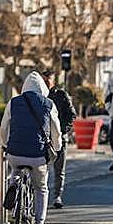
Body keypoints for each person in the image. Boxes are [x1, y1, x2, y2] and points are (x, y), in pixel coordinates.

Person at [0, 71, 62, 224]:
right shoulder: (48, 104)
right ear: (42, 87)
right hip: (38, 155)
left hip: (15, 153)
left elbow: (4, 127)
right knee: (41, 187)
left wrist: (6, 145)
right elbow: (56, 131)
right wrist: (56, 148)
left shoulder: (13, 102)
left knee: (15, 170)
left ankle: (13, 186)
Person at [45, 71, 76, 209]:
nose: (46, 83)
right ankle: (42, 195)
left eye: (48, 80)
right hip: (44, 138)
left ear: (53, 81)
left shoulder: (61, 95)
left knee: (59, 170)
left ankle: (57, 196)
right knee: (41, 169)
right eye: (44, 80)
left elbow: (71, 114)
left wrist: (63, 130)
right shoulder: (39, 95)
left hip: (60, 137)